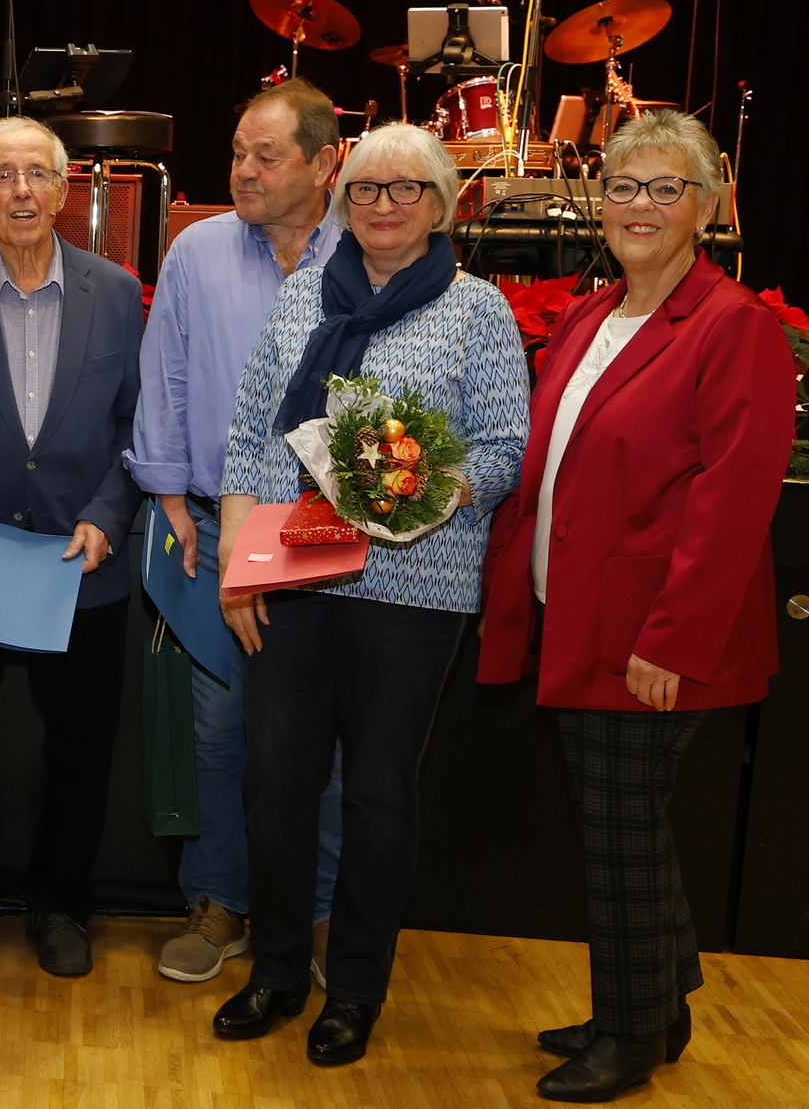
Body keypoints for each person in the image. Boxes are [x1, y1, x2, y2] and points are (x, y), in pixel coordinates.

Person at [479, 110, 793, 1103]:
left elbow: (735, 495)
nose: (641, 206)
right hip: (578, 615)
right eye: (624, 186)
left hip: (651, 635)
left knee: (620, 831)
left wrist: (674, 638)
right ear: (599, 203)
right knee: (626, 826)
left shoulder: (734, 324)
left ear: (708, 206)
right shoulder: (590, 313)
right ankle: (657, 1002)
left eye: (667, 188)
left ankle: (625, 1035)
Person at [214, 122, 527, 1064]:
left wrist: (427, 483)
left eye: (405, 191)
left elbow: (505, 451)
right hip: (294, 574)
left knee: (379, 797)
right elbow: (245, 438)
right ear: (341, 199)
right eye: (365, 190)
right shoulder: (304, 295)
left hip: (412, 588)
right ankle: (272, 970)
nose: (383, 207)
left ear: (440, 205)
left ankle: (351, 990)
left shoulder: (478, 312)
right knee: (274, 786)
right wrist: (238, 564)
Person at [0, 115, 144, 978]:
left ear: (64, 185)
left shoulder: (116, 293)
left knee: (79, 746)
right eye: (1, 177)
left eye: (35, 175)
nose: (20, 192)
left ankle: (60, 904)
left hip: (81, 565)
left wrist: (108, 513)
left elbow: (135, 423)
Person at [127, 78, 347, 985]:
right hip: (214, 527)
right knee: (219, 728)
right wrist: (173, 501)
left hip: (330, 531)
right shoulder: (197, 250)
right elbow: (166, 376)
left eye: (266, 156)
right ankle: (219, 901)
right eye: (235, 153)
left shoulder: (370, 254)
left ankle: (319, 913)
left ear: (324, 162)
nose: (243, 172)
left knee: (322, 740)